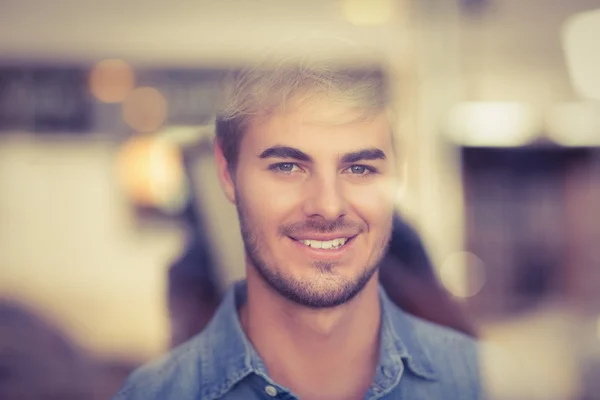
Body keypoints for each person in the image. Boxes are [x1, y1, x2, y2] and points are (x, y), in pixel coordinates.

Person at [113, 50, 482, 400]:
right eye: (287, 167)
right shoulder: (156, 390)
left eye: (359, 168)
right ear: (227, 173)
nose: (328, 206)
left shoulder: (488, 383)